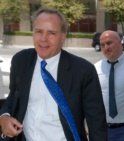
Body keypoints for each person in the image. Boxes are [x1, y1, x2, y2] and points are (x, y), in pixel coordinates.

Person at [0, 8, 107, 141]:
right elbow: (12, 97)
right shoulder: (21, 61)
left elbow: (97, 123)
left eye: (51, 33)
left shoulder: (83, 70)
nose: (43, 39)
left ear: (63, 36)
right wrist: (3, 117)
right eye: (39, 31)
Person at [94, 30, 124, 141]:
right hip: (101, 130)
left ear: (120, 43)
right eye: (102, 45)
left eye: (109, 43)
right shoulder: (96, 68)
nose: (106, 47)